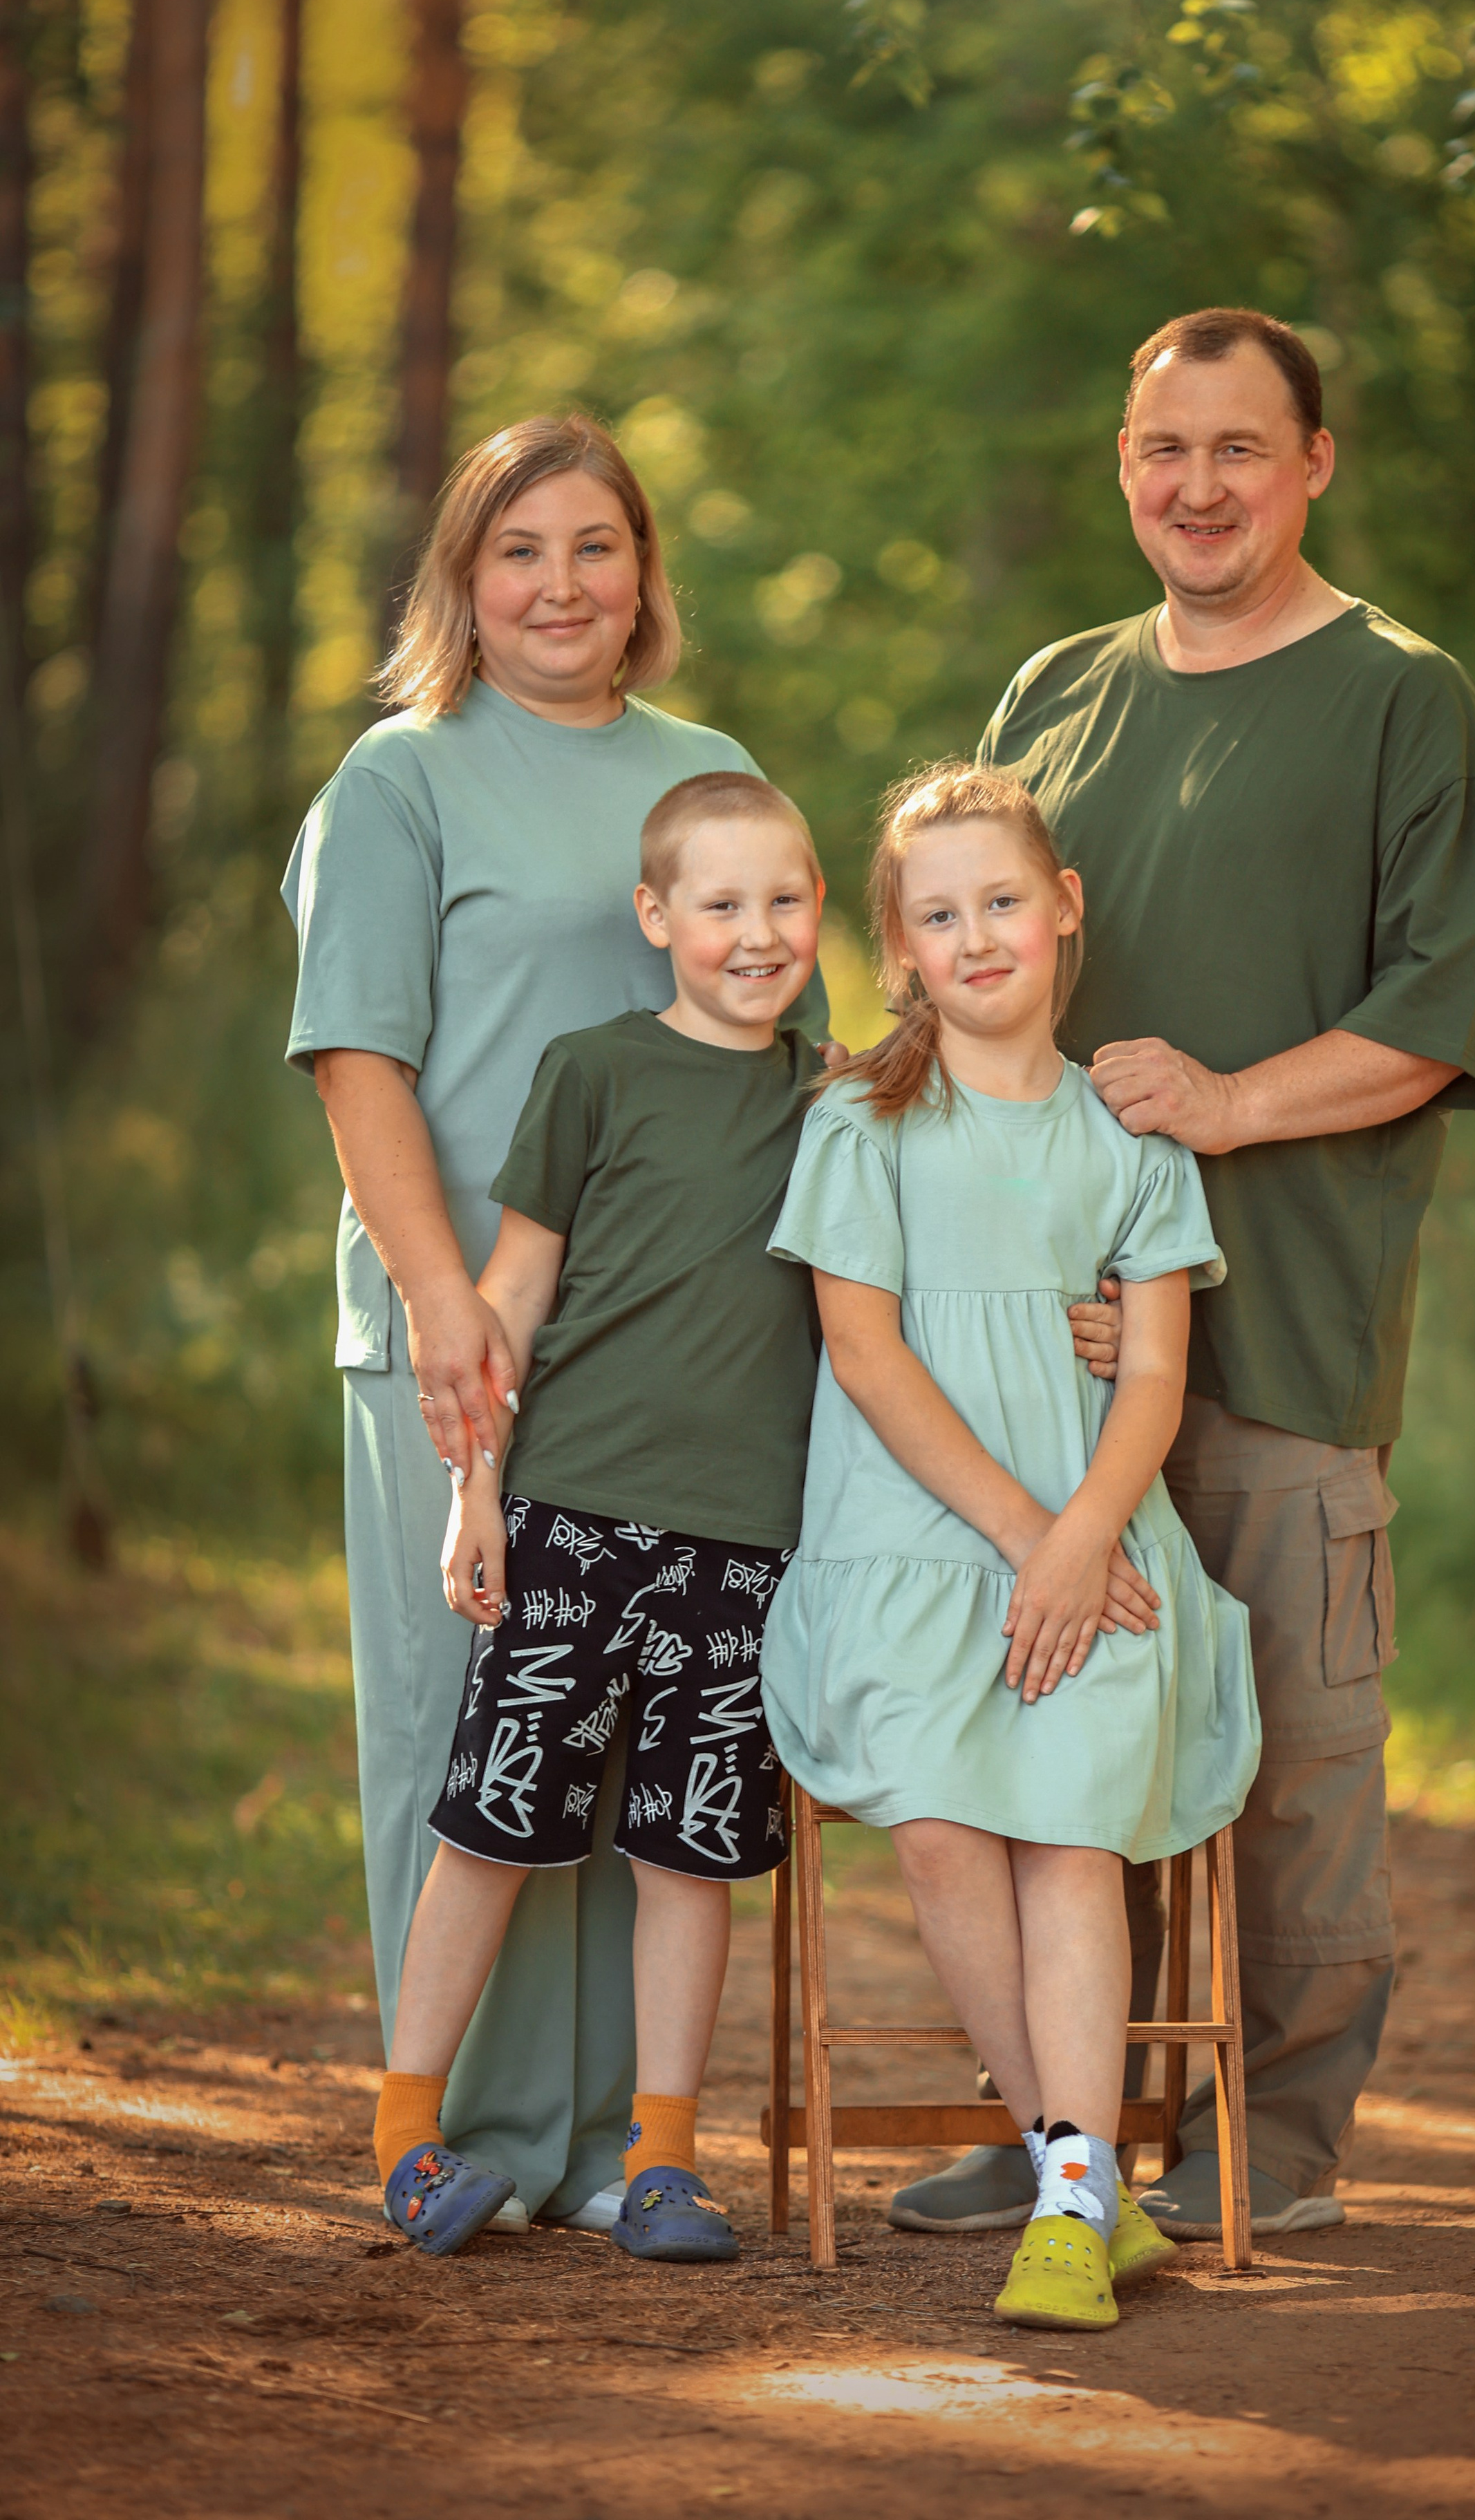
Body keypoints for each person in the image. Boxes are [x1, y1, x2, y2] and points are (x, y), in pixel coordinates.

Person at [892, 307, 1475, 2244]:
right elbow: (965, 958)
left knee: (1287, 1776)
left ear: (1315, 463)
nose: (1200, 487)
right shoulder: (1057, 689)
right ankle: (1068, 2119)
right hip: (1044, 1361)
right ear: (1122, 461)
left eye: (1241, 449)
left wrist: (1231, 1105)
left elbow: (1440, 1015)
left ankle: (1278, 2145)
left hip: (1283, 1339)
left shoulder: (1407, 701)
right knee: (1052, 1746)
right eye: (1167, 448)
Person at [282, 417, 832, 2234]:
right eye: (522, 550)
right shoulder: (401, 777)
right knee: (474, 1728)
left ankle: (619, 2148)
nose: (562, 586)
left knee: (640, 1737)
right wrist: (443, 1302)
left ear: (644, 574)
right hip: (460, 1319)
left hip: (681, 1346)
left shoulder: (711, 767)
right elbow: (360, 1057)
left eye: (597, 548)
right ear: (464, 577)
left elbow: (794, 1064)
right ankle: (469, 2140)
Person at [762, 763, 1260, 2331]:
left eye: (999, 901)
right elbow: (866, 1354)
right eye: (935, 914)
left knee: (1066, 1831)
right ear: (897, 951)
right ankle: (1074, 2165)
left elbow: (1161, 1372)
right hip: (911, 1541)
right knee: (933, 1814)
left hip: (1098, 1536)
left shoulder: (1130, 1139)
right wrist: (1023, 1537)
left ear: (1063, 912)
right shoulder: (860, 1122)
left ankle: (1068, 2199)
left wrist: (1079, 1538)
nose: (974, 935)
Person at [371, 771, 827, 2258]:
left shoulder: (838, 1100)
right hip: (569, 1520)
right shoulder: (593, 1071)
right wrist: (474, 1492)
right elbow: (513, 1295)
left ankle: (664, 2159)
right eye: (719, 904)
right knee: (497, 1825)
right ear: (656, 917)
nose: (755, 933)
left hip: (745, 1541)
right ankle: (405, 2137)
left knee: (689, 1853)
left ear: (820, 911)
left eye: (784, 900)